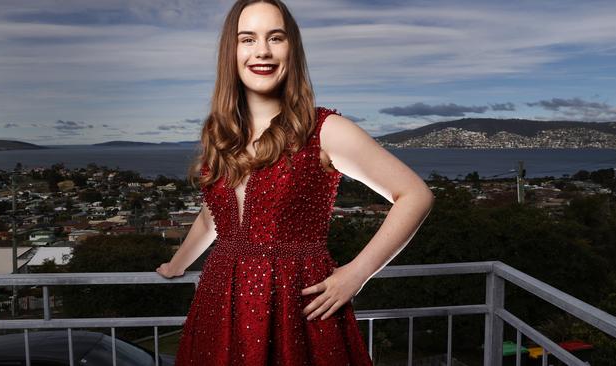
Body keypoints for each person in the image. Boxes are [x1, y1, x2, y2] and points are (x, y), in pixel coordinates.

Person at [156, 0, 434, 364]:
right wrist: (177, 265)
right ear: (231, 51)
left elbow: (415, 195)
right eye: (248, 39)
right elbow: (215, 216)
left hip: (297, 306)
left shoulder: (326, 129)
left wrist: (356, 274)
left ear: (292, 49)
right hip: (219, 299)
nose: (263, 52)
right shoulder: (220, 132)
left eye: (276, 38)